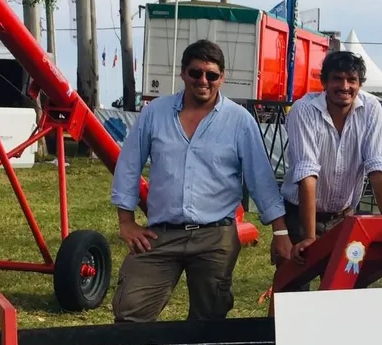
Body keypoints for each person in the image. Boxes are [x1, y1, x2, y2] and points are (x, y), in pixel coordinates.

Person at [110, 39, 292, 322]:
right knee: (130, 310)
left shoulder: (239, 120)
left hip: (215, 236)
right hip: (161, 233)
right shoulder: (155, 113)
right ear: (183, 73)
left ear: (222, 77)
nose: (203, 81)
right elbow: (129, 165)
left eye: (211, 74)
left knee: (210, 318)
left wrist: (280, 234)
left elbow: (261, 179)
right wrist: (126, 222)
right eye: (195, 73)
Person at [282, 50, 382, 262]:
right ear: (324, 82)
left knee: (344, 286)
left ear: (360, 84)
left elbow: (377, 168)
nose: (344, 87)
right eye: (337, 79)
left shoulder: (371, 108)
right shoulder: (304, 109)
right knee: (294, 289)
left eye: (351, 80)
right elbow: (307, 172)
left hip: (344, 216)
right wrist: (309, 237)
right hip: (299, 216)